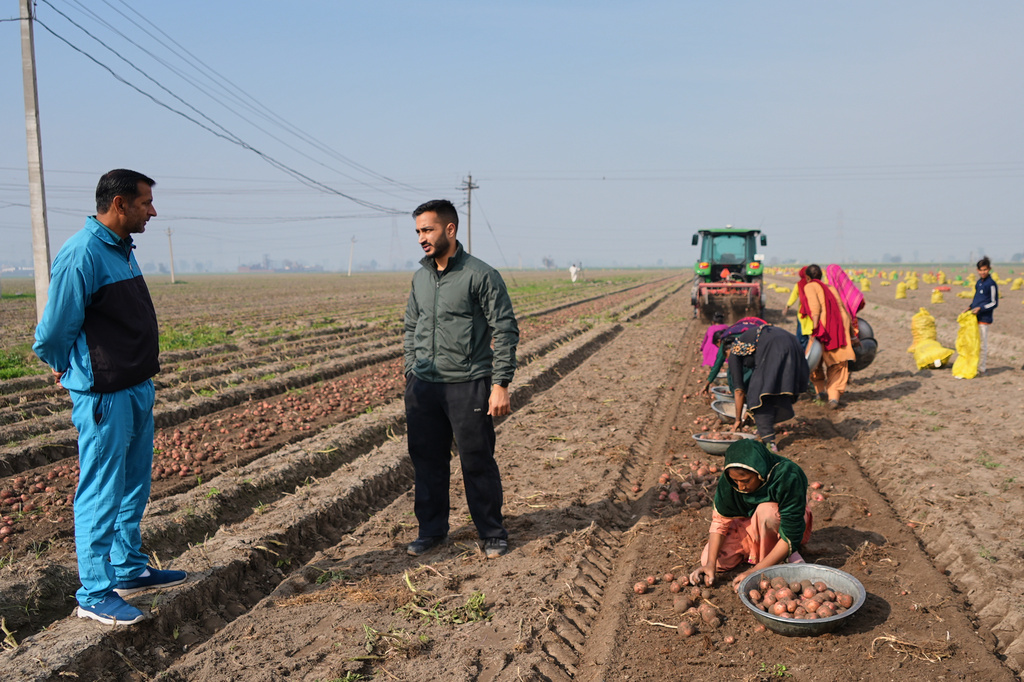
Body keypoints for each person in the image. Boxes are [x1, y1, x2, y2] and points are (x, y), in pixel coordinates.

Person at [33, 170, 185, 626]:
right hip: (104, 393)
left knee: (133, 483)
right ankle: (95, 592)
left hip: (135, 385)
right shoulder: (82, 254)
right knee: (101, 489)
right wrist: (65, 364)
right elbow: (54, 330)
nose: (152, 211)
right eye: (145, 203)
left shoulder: (121, 249)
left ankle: (128, 568)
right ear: (119, 204)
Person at [403, 199, 519, 559]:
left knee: (476, 459)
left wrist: (500, 383)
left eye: (428, 229)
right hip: (424, 385)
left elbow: (505, 329)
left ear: (449, 230)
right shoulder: (420, 277)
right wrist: (411, 370)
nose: (422, 237)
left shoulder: (480, 275)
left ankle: (491, 532)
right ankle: (431, 531)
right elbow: (411, 325)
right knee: (426, 460)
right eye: (419, 231)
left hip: (468, 383)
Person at [689, 439, 813, 591]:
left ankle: (784, 554)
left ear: (759, 472)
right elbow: (720, 522)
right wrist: (710, 564)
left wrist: (753, 572)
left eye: (745, 480)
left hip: (780, 523)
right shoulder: (729, 482)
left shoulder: (787, 475)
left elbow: (792, 528)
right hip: (748, 523)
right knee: (711, 558)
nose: (740, 487)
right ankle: (758, 554)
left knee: (767, 513)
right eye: (735, 480)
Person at [724, 323, 809, 452]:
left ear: (727, 351)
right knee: (773, 390)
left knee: (756, 395)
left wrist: (737, 419)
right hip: (793, 343)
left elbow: (739, 391)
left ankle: (770, 443)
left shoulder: (734, 353)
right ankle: (765, 426)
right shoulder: (748, 342)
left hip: (775, 347)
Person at [798, 264, 854, 409]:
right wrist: (853, 336)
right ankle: (833, 398)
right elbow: (844, 310)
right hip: (839, 330)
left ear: (808, 277)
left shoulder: (809, 286)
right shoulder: (831, 288)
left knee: (814, 361)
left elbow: (815, 309)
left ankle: (819, 392)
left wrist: (814, 331)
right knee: (838, 365)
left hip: (823, 330)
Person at [969, 256, 998, 374]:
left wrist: (981, 309)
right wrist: (970, 307)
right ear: (977, 270)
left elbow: (994, 302)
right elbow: (977, 299)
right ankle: (974, 365)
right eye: (981, 270)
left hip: (984, 318)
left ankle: (982, 368)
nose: (983, 272)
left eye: (985, 270)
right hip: (974, 317)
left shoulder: (991, 284)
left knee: (982, 344)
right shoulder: (978, 283)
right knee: (974, 343)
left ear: (989, 269)